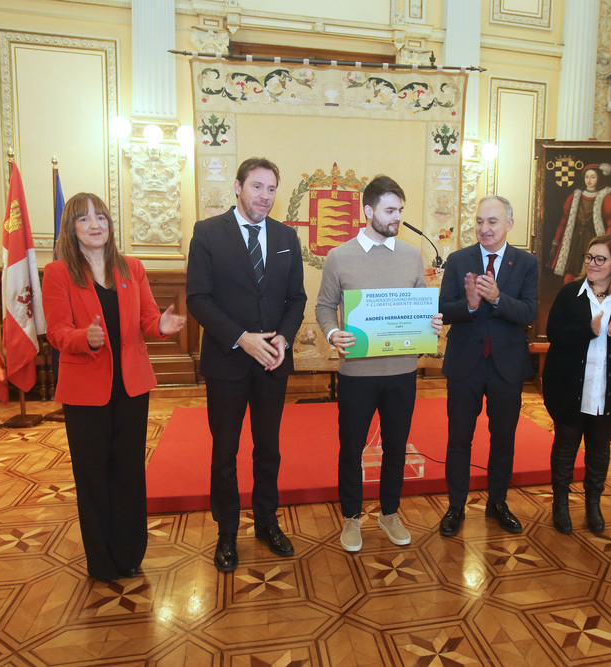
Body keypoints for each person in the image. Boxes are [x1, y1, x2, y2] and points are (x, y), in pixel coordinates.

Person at [42, 192, 186, 583]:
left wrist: (162, 326)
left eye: (101, 217)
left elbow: (148, 318)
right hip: (85, 391)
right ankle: (102, 562)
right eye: (85, 219)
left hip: (132, 387)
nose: (95, 225)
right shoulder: (58, 273)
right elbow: (56, 331)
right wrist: (82, 338)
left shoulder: (131, 268)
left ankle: (129, 553)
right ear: (71, 228)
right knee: (93, 475)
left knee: (128, 472)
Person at [186, 157, 307, 572]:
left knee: (268, 449)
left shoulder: (287, 236)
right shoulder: (207, 233)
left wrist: (283, 341)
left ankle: (267, 522)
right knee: (225, 451)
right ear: (238, 187)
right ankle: (226, 533)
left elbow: (297, 300)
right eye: (257, 187)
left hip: (272, 363)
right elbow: (198, 298)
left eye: (271, 189)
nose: (265, 196)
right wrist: (242, 338)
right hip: (227, 363)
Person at [316, 175, 443, 552]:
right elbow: (324, 305)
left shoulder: (410, 254)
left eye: (401, 210)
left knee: (396, 446)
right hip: (357, 374)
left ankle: (389, 513)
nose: (397, 217)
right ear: (369, 211)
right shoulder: (339, 256)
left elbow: (421, 303)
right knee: (351, 447)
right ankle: (351, 518)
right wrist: (331, 333)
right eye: (390, 210)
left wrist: (431, 321)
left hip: (402, 373)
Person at [437, 196, 538, 537]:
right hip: (465, 364)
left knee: (503, 439)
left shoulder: (526, 263)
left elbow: (528, 313)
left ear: (509, 223)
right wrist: (468, 304)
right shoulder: (458, 259)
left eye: (492, 222)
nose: (484, 228)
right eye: (480, 221)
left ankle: (497, 502)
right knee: (459, 439)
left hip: (506, 367)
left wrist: (496, 298)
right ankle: (455, 505)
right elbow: (444, 311)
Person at [542, 234, 611, 535]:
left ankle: (593, 505)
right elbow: (555, 334)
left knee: (599, 450)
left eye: (600, 259)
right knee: (565, 448)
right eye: (589, 257)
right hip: (570, 390)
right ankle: (560, 504)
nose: (592, 264)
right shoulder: (570, 294)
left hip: (609, 394)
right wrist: (591, 328)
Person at [549, 163, 611, 283]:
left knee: (591, 273)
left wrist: (605, 244)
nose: (589, 180)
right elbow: (564, 221)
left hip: (592, 240)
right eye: (587, 177)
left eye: (593, 177)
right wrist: (556, 240)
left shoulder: (605, 197)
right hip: (575, 241)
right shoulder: (575, 197)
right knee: (570, 273)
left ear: (598, 178)